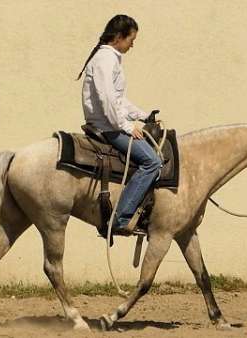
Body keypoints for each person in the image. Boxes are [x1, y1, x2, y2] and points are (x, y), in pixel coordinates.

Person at [77, 14, 162, 234]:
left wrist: (143, 116)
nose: (133, 44)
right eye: (131, 39)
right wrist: (126, 126)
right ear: (118, 37)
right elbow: (107, 100)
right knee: (152, 161)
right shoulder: (106, 60)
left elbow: (118, 99)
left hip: (110, 123)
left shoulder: (110, 58)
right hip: (107, 127)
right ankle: (121, 219)